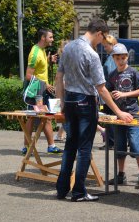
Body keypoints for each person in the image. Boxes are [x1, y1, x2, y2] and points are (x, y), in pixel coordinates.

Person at [55, 18, 133, 202]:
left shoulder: (68, 47)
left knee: (69, 146)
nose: (102, 42)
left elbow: (59, 77)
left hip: (70, 100)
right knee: (84, 149)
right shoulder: (91, 54)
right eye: (103, 38)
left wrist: (61, 103)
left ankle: (61, 189)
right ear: (99, 33)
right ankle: (79, 192)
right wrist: (119, 112)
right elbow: (101, 88)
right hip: (86, 102)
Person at [106, 43, 139, 186]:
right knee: (119, 146)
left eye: (123, 57)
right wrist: (111, 95)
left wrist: (124, 94)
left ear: (127, 57)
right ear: (113, 58)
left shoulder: (133, 72)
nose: (120, 60)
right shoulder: (112, 75)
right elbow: (107, 92)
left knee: (136, 145)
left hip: (133, 114)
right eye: (117, 58)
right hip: (119, 115)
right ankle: (121, 174)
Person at [23, 29, 63, 155]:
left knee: (48, 117)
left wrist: (49, 59)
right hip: (36, 91)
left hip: (43, 90)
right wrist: (45, 84)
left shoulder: (42, 50)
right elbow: (28, 76)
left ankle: (51, 146)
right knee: (31, 117)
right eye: (50, 37)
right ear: (42, 38)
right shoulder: (35, 53)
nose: (52, 39)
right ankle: (26, 147)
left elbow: (39, 68)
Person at [99, 35, 118, 150]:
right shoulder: (112, 56)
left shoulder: (112, 58)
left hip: (110, 91)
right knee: (110, 116)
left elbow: (111, 74)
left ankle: (111, 142)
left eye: (106, 46)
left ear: (112, 45)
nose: (104, 48)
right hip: (111, 90)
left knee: (110, 116)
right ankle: (112, 141)